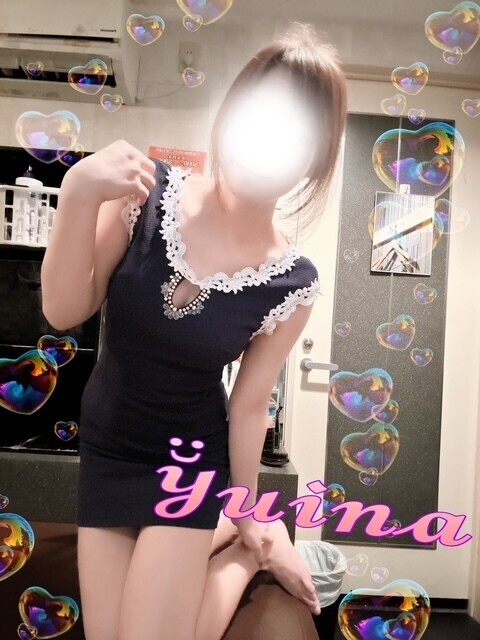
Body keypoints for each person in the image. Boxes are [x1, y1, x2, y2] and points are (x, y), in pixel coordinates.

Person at [41, 22, 347, 640]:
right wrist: (77, 192)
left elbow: (250, 404)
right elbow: (64, 309)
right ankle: (241, 548)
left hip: (189, 461)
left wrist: (248, 507)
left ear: (312, 156)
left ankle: (244, 546)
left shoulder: (292, 282)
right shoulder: (144, 195)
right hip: (109, 449)